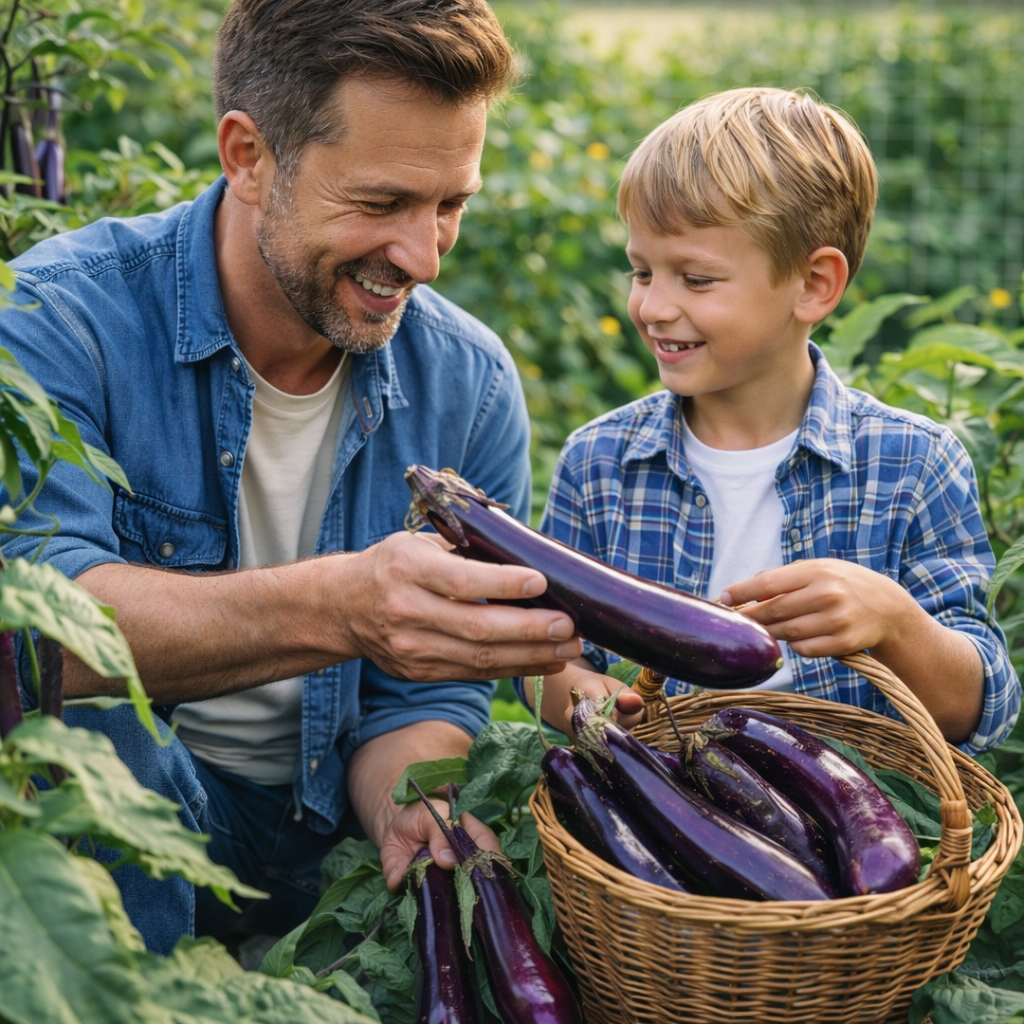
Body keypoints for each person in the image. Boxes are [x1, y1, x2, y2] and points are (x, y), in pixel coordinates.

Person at [0, 0, 585, 955]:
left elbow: (423, 697)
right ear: (248, 157)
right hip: (138, 820)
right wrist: (341, 606)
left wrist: (410, 801)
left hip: (332, 837)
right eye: (381, 203)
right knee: (95, 738)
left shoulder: (470, 383)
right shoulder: (59, 321)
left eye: (451, 205)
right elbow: (29, 637)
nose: (425, 257)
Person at [523, 86, 1020, 755]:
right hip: (656, 805)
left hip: (854, 811)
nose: (654, 307)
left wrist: (896, 623)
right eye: (642, 272)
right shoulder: (599, 463)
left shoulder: (913, 462)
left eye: (696, 279)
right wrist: (592, 700)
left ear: (813, 285)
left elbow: (980, 708)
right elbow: (545, 655)